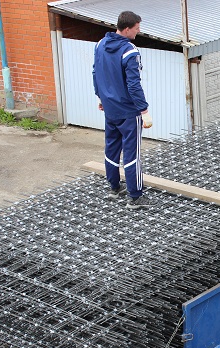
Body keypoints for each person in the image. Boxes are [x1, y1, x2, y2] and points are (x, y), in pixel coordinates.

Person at [93, 11, 156, 210]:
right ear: (127, 28)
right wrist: (144, 111)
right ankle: (135, 196)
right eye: (137, 28)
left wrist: (100, 97)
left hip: (110, 109)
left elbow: (96, 73)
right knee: (132, 153)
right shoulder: (130, 51)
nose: (139, 32)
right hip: (129, 112)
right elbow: (134, 85)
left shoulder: (100, 44)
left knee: (111, 147)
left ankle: (114, 187)